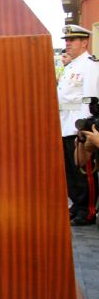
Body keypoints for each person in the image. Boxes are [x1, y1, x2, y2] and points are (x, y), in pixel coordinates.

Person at [58, 25, 99, 226]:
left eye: (72, 40)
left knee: (85, 171)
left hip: (79, 125)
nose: (67, 43)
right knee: (72, 170)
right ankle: (77, 203)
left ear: (84, 42)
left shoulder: (90, 66)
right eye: (66, 40)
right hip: (65, 124)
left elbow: (90, 100)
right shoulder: (71, 67)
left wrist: (84, 128)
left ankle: (88, 210)